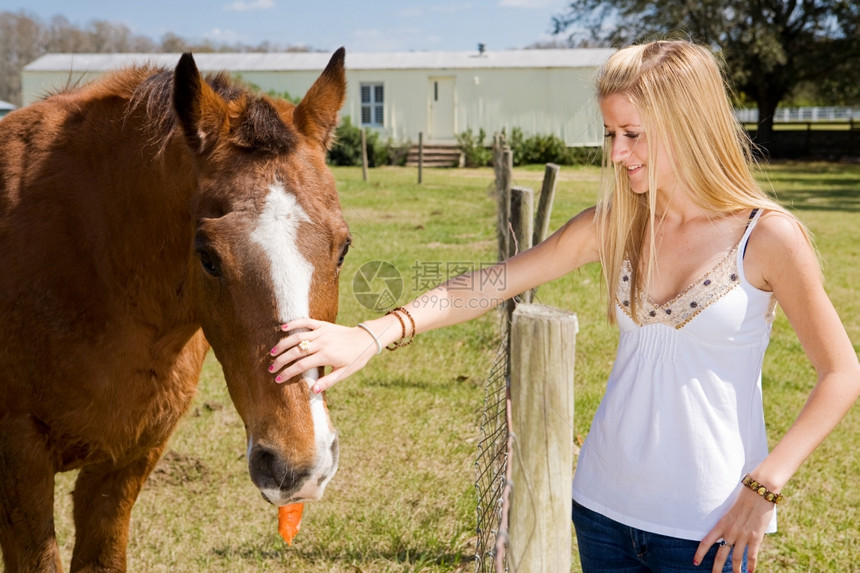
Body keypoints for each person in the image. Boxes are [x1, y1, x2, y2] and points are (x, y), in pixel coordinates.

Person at [267, 40, 860, 573]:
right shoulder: (614, 225)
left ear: (689, 125)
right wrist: (374, 333)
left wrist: (766, 486)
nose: (617, 152)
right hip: (602, 511)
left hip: (708, 527)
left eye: (634, 134)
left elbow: (841, 373)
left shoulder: (769, 237)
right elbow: (492, 282)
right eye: (610, 134)